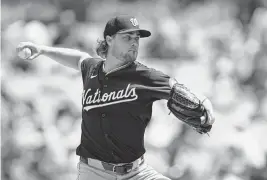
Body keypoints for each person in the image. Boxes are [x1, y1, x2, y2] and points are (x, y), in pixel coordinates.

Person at [17, 15, 215, 180]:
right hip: (92, 173)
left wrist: (205, 103)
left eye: (137, 38)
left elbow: (177, 87)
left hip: (136, 173)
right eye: (127, 37)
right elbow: (78, 58)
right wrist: (43, 50)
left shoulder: (144, 75)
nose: (134, 43)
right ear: (109, 39)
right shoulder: (92, 69)